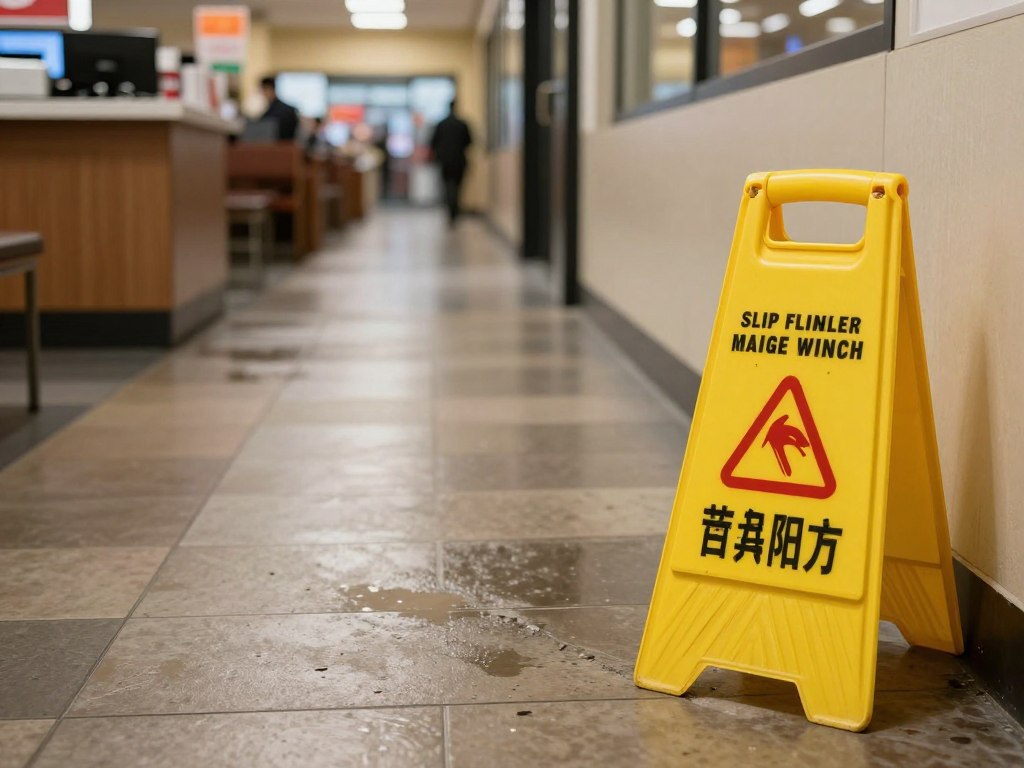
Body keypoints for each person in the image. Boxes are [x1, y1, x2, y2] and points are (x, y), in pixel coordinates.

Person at [430, 100, 473, 225]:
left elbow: (433, 143)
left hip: (445, 161)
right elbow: (469, 142)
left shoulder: (441, 124)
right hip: (459, 160)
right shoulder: (462, 124)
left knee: (447, 185)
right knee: (458, 186)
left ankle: (451, 210)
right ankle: (454, 210)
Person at [260, 75, 299, 141]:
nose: (262, 94)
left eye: (263, 90)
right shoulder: (289, 109)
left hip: (278, 148)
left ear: (269, 89)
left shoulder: (273, 112)